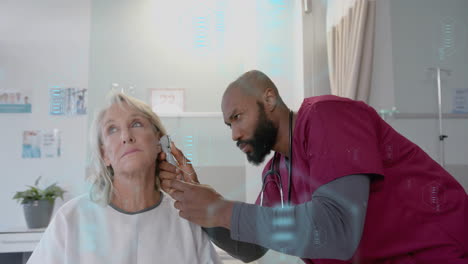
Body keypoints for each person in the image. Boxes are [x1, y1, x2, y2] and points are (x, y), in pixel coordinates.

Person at [159, 70, 468, 264]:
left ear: (269, 99)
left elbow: (337, 230)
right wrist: (197, 201)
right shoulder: (276, 173)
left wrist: (220, 208)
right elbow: (250, 249)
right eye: (229, 125)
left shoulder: (327, 116)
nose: (235, 134)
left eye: (238, 117)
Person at [27, 92, 221, 264]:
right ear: (105, 155)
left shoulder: (185, 221)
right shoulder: (71, 219)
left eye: (136, 124)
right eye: (112, 129)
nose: (126, 136)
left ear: (159, 141)